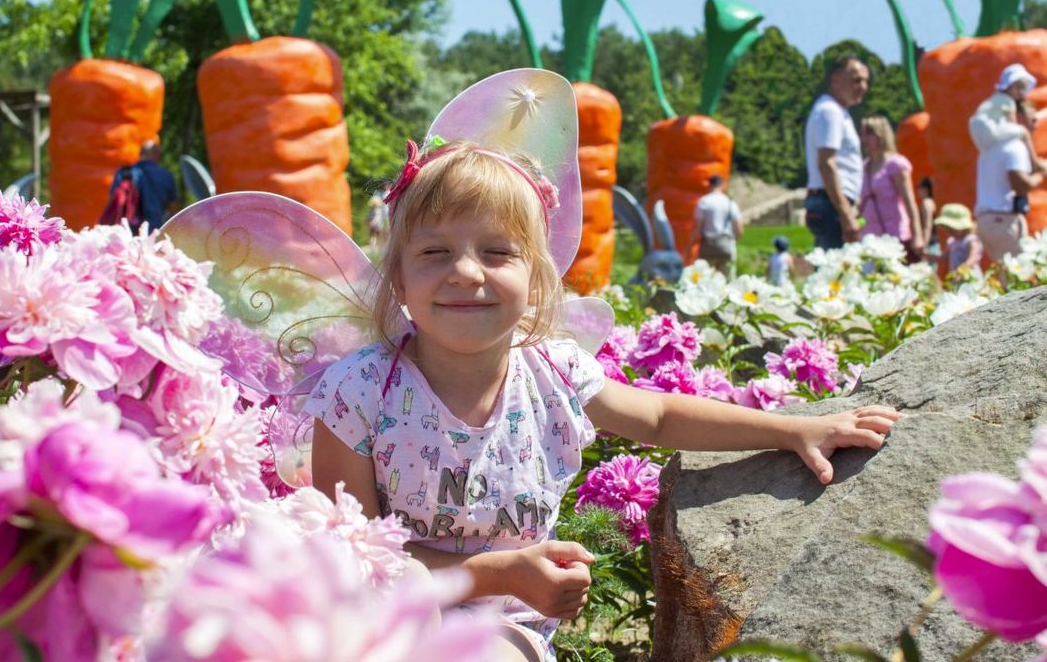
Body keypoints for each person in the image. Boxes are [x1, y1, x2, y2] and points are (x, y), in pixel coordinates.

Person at [305, 75, 899, 662]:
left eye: (496, 252)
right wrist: (502, 570)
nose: (465, 272)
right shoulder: (360, 393)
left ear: (537, 278)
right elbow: (355, 558)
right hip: (387, 613)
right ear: (399, 277)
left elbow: (662, 416)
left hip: (503, 629)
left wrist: (795, 429)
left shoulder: (553, 372)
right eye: (435, 252)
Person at [970, 63, 1047, 264]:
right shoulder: (1014, 145)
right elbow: (1020, 184)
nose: (1035, 124)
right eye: (1031, 119)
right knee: (1019, 283)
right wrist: (1041, 173)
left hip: (988, 222)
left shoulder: (990, 148)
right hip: (1003, 220)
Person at [804, 55, 871, 250]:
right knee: (836, 271)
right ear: (836, 80)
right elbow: (826, 162)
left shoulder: (836, 111)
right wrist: (845, 212)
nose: (863, 87)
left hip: (831, 201)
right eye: (856, 80)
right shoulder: (830, 111)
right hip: (831, 203)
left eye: (866, 81)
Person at [857, 115, 925, 262]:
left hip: (894, 233)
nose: (865, 139)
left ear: (881, 135)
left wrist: (917, 235)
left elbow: (909, 201)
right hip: (870, 235)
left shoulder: (895, 164)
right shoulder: (865, 166)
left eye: (869, 133)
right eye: (863, 133)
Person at [112, 140, 179, 231]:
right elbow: (173, 209)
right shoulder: (166, 176)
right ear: (156, 154)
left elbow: (114, 200)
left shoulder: (124, 173)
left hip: (128, 233)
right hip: (155, 232)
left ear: (140, 154)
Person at [690, 174, 743, 275]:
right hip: (726, 245)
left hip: (708, 246)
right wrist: (734, 240)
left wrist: (690, 246)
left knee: (705, 278)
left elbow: (697, 228)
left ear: (709, 185)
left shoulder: (704, 202)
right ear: (721, 185)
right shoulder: (730, 203)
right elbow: (739, 228)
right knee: (727, 279)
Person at [932, 203, 983, 279]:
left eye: (952, 229)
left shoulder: (971, 240)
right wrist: (924, 255)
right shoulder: (952, 242)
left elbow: (973, 258)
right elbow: (942, 258)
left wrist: (962, 270)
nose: (949, 231)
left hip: (971, 279)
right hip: (956, 278)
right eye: (947, 228)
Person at [917, 177, 939, 261]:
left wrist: (924, 246)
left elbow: (927, 226)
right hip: (933, 243)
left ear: (925, 189)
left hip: (930, 244)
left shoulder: (927, 203)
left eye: (919, 188)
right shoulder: (931, 202)